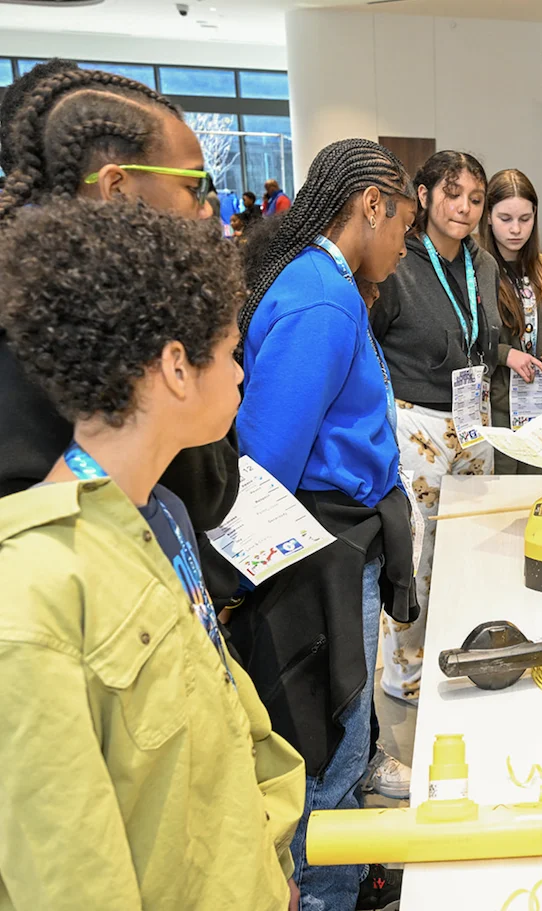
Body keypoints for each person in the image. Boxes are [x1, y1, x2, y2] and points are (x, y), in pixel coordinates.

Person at [0, 198, 305, 911]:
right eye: (233, 353)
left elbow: (226, 713)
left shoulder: (161, 515)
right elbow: (69, 876)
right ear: (175, 366)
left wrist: (268, 856)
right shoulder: (31, 595)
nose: (240, 375)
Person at [230, 138, 418, 911]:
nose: (403, 248)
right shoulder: (320, 298)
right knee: (327, 750)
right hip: (317, 553)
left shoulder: (332, 284)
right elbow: (268, 460)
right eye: (402, 227)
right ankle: (324, 894)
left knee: (346, 731)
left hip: (345, 539)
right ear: (369, 207)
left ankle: (345, 877)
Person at [0, 65, 240, 534]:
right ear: (116, 188)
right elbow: (206, 493)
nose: (207, 207)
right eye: (193, 187)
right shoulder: (113, 325)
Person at [371, 149, 501, 703]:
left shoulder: (484, 265)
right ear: (422, 197)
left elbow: (484, 337)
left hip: (475, 423)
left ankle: (457, 648)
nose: (465, 209)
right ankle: (405, 674)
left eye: (475, 198)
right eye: (453, 194)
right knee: (416, 556)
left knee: (470, 545)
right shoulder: (396, 261)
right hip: (416, 424)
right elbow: (368, 346)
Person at [480, 168, 542, 474]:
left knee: (541, 492)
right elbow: (469, 339)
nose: (516, 229)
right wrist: (507, 355)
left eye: (525, 219)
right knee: (501, 494)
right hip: (498, 407)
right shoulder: (477, 271)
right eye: (505, 219)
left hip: (541, 404)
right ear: (488, 217)